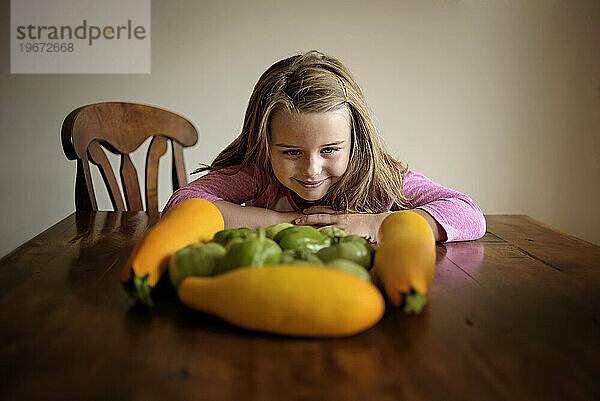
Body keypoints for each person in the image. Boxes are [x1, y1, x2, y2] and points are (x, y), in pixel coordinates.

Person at [164, 50, 486, 243]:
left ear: (355, 142)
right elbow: (183, 205)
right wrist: (289, 224)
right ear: (266, 143)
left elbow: (469, 214)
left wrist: (375, 223)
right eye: (291, 152)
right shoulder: (260, 174)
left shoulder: (378, 181)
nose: (311, 169)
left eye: (330, 150)